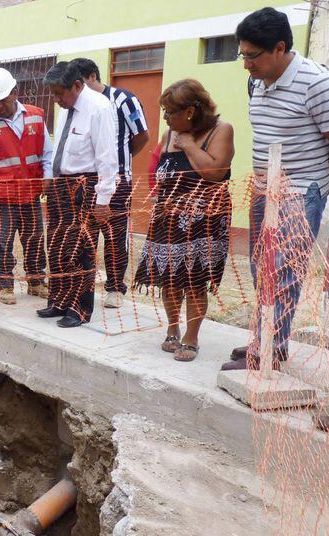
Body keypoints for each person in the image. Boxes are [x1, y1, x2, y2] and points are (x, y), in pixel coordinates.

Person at [222, 7, 329, 371]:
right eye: (242, 55)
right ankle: (260, 340)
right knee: (260, 266)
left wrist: (324, 185)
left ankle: (271, 349)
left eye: (252, 55)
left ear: (279, 48)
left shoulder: (317, 83)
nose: (246, 64)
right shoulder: (256, 81)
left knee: (283, 270)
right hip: (263, 189)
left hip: (299, 193)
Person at [133, 79, 234, 362]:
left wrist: (189, 145)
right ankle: (172, 328)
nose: (165, 117)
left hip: (204, 223)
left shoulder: (220, 130)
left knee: (195, 280)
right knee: (169, 279)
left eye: (169, 111)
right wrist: (157, 196)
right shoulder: (169, 133)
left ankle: (191, 337)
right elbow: (158, 170)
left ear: (190, 111)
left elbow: (215, 172)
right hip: (167, 219)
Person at [39, 61, 119, 328]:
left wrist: (103, 199)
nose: (56, 99)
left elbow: (108, 158)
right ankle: (59, 300)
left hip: (85, 186)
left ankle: (80, 308)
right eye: (53, 94)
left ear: (77, 85)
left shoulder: (99, 108)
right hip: (61, 186)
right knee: (58, 247)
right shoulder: (65, 109)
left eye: (59, 93)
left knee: (80, 249)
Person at [72, 58, 151, 309]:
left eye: (82, 84)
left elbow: (142, 136)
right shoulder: (79, 106)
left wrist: (120, 161)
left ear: (93, 76)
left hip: (116, 182)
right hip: (86, 182)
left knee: (115, 236)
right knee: (85, 236)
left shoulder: (124, 100)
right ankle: (83, 287)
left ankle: (115, 287)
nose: (79, 91)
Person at [0, 67, 53, 305]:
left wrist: (47, 179)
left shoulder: (36, 116)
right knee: (3, 242)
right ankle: (4, 285)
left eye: (1, 100)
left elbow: (47, 154)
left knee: (34, 238)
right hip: (3, 197)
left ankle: (36, 281)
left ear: (15, 92)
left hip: (31, 194)